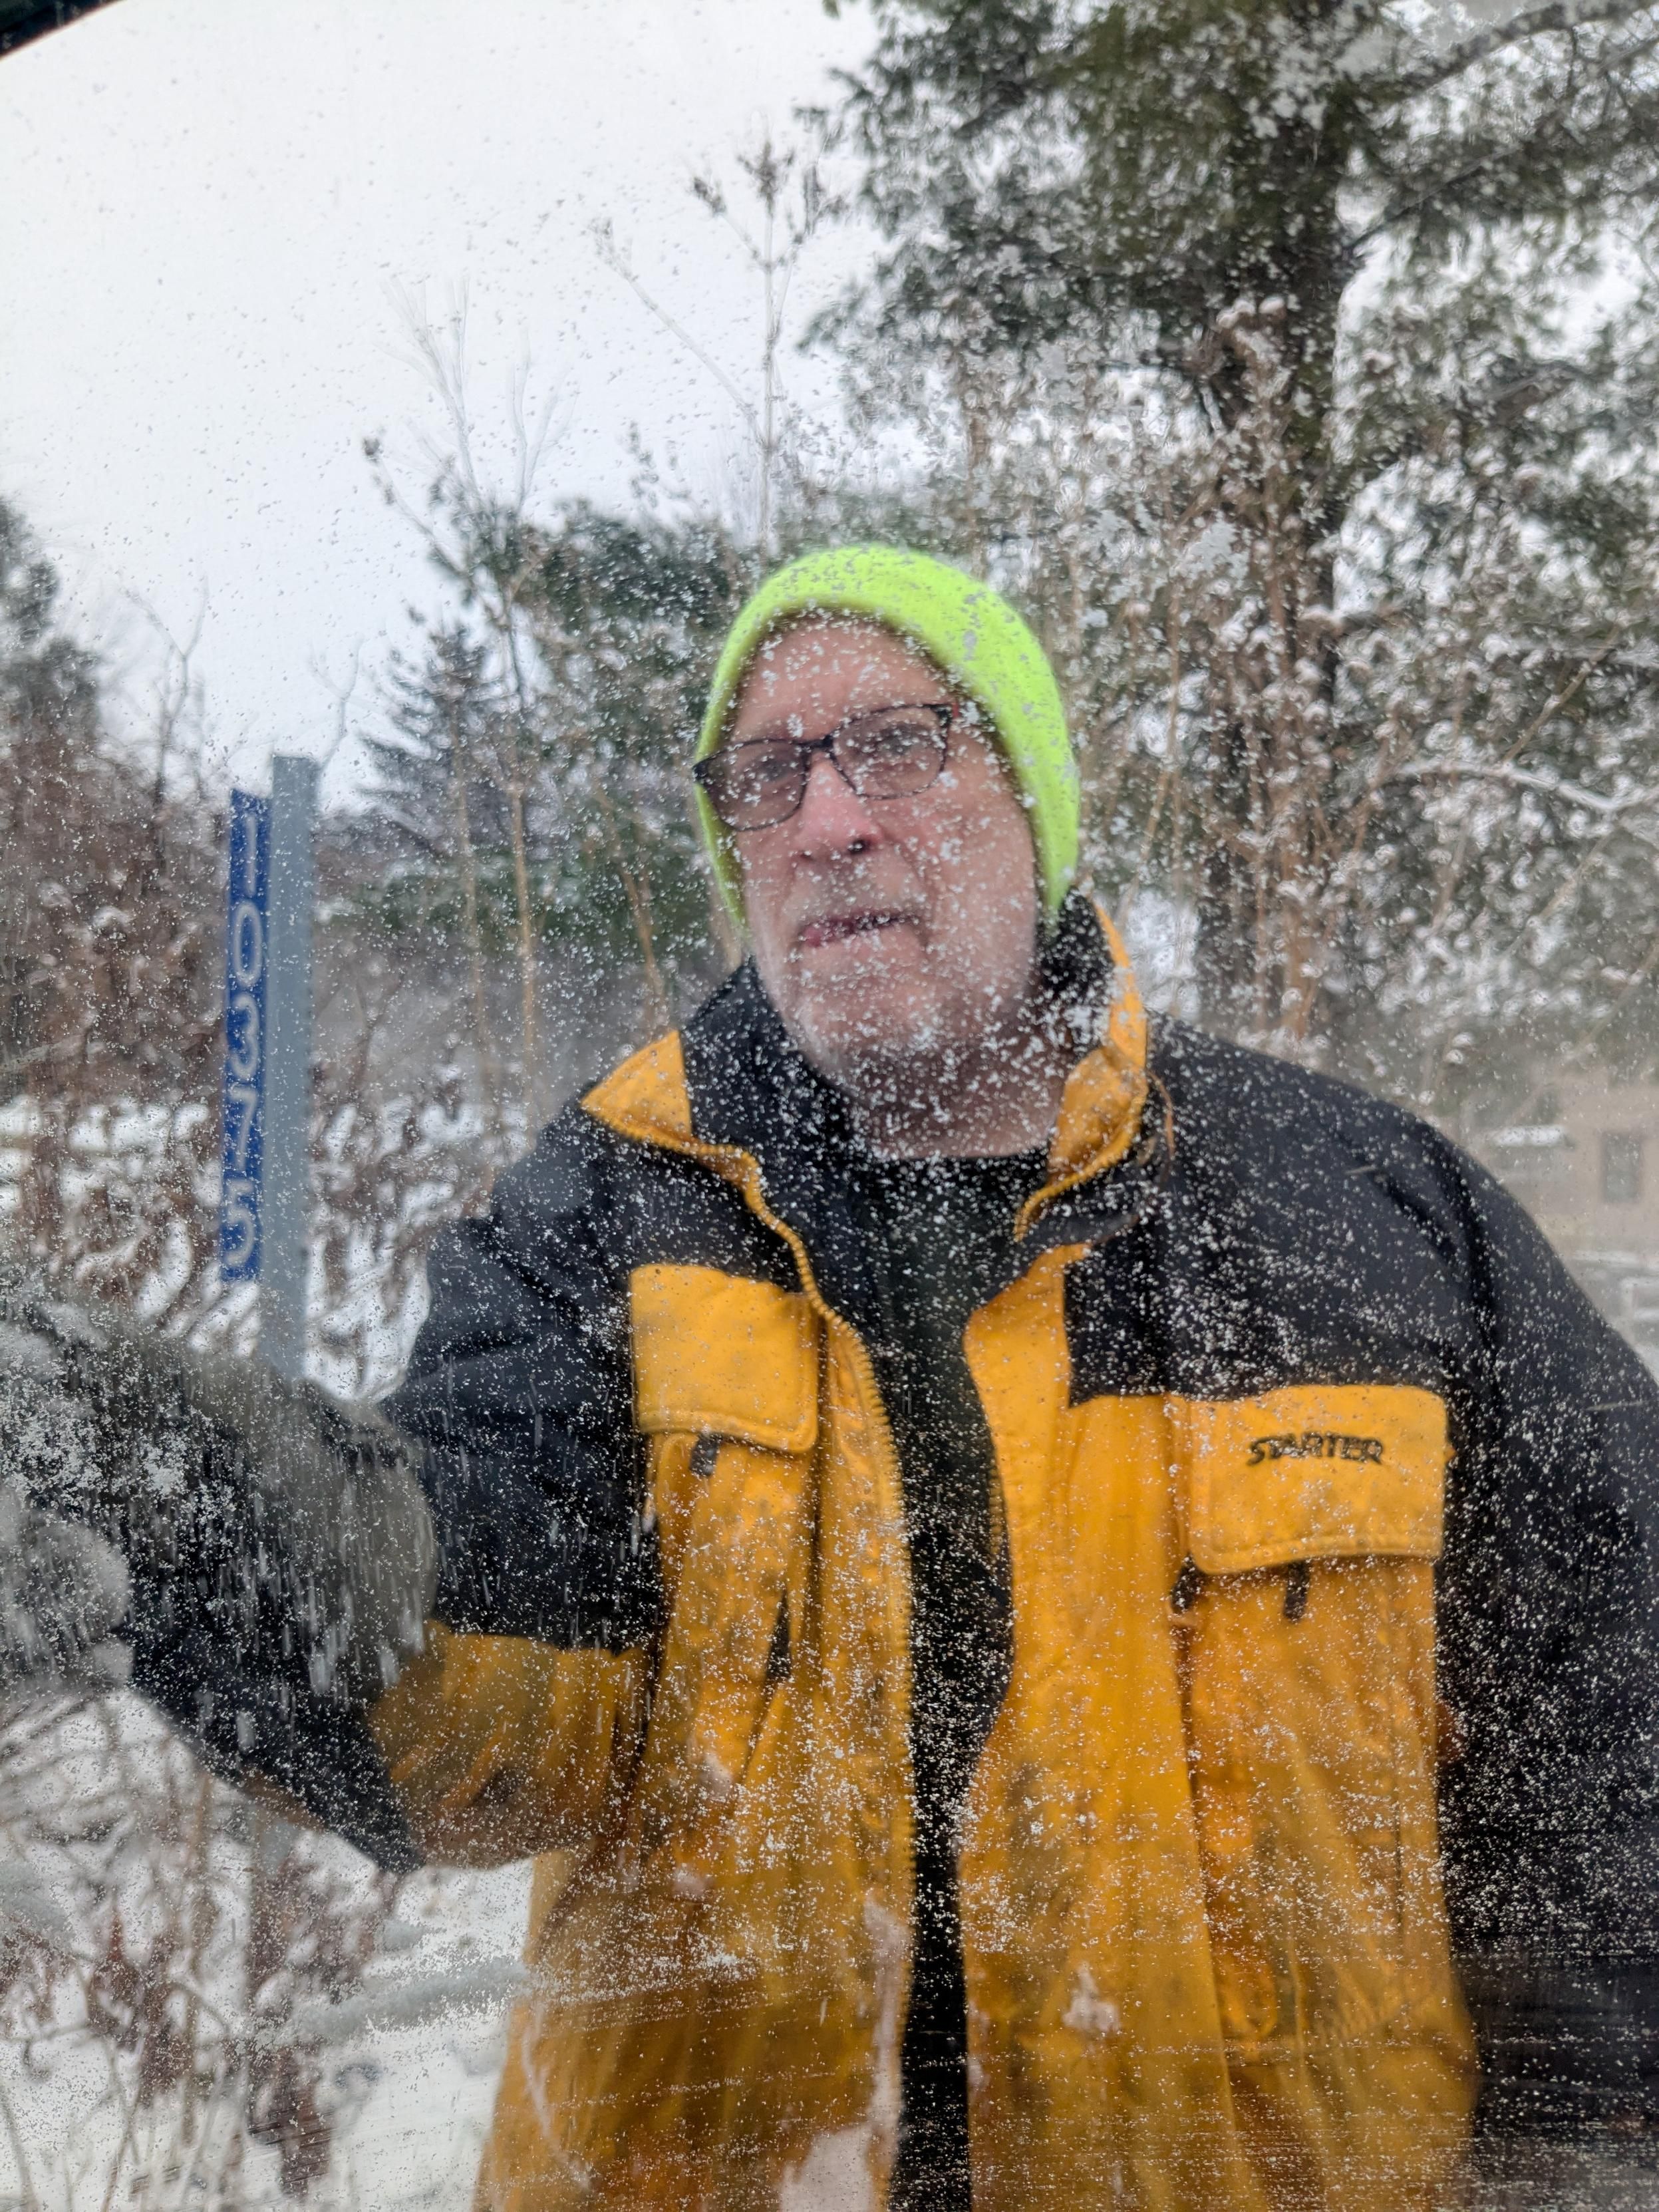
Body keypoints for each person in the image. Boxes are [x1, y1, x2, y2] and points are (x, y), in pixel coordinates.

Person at [7, 544, 1659, 2211]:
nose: (826, 821)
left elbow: (1608, 1746)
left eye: (895, 745)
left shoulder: (1355, 1211)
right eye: (768, 774)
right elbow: (485, 1686)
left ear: (1033, 801)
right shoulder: (612, 1205)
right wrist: (172, 1492)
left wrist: (1576, 2153)